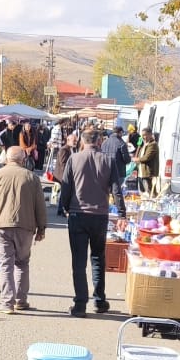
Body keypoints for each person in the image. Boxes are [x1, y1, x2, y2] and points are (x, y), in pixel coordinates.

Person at [61, 125, 124, 316]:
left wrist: (65, 207)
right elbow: (116, 189)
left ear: (82, 141)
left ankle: (80, 304)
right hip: (99, 216)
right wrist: (121, 213)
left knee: (79, 262)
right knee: (98, 258)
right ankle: (99, 300)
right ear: (99, 141)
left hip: (78, 215)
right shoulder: (108, 160)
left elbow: (66, 187)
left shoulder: (74, 158)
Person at [0, 144, 46, 314]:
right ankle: (20, 300)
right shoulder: (32, 177)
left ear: (7, 158)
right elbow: (40, 205)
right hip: (26, 226)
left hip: (0, 225)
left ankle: (7, 303)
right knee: (22, 263)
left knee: (5, 265)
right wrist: (41, 228)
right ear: (23, 160)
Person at [136, 129, 159, 197]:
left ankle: (152, 205)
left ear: (150, 135)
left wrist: (137, 159)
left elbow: (147, 157)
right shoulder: (145, 144)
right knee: (144, 193)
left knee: (150, 192)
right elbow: (140, 155)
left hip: (148, 173)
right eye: (142, 135)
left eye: (145, 135)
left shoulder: (153, 145)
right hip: (142, 172)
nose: (143, 137)